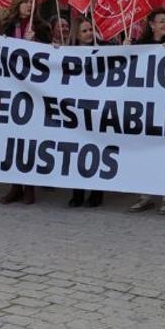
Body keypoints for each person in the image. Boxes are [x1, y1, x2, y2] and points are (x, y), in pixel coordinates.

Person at [0, 0, 48, 205]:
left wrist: (33, 43)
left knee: (30, 140)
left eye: (31, 3)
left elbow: (49, 55)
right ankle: (15, 186)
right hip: (12, 89)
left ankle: (30, 187)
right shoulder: (7, 26)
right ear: (17, 5)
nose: (28, 5)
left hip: (34, 91)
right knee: (13, 141)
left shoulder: (42, 27)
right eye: (25, 2)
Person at [129, 8, 165, 215]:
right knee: (146, 152)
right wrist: (125, 51)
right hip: (145, 108)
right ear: (151, 24)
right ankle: (146, 195)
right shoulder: (140, 46)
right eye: (162, 21)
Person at [68, 16, 106, 208]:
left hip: (98, 109)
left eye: (90, 29)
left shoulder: (104, 50)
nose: (89, 33)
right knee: (77, 152)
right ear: (76, 35)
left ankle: (96, 193)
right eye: (84, 31)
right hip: (76, 110)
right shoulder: (68, 53)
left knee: (96, 150)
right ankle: (77, 193)